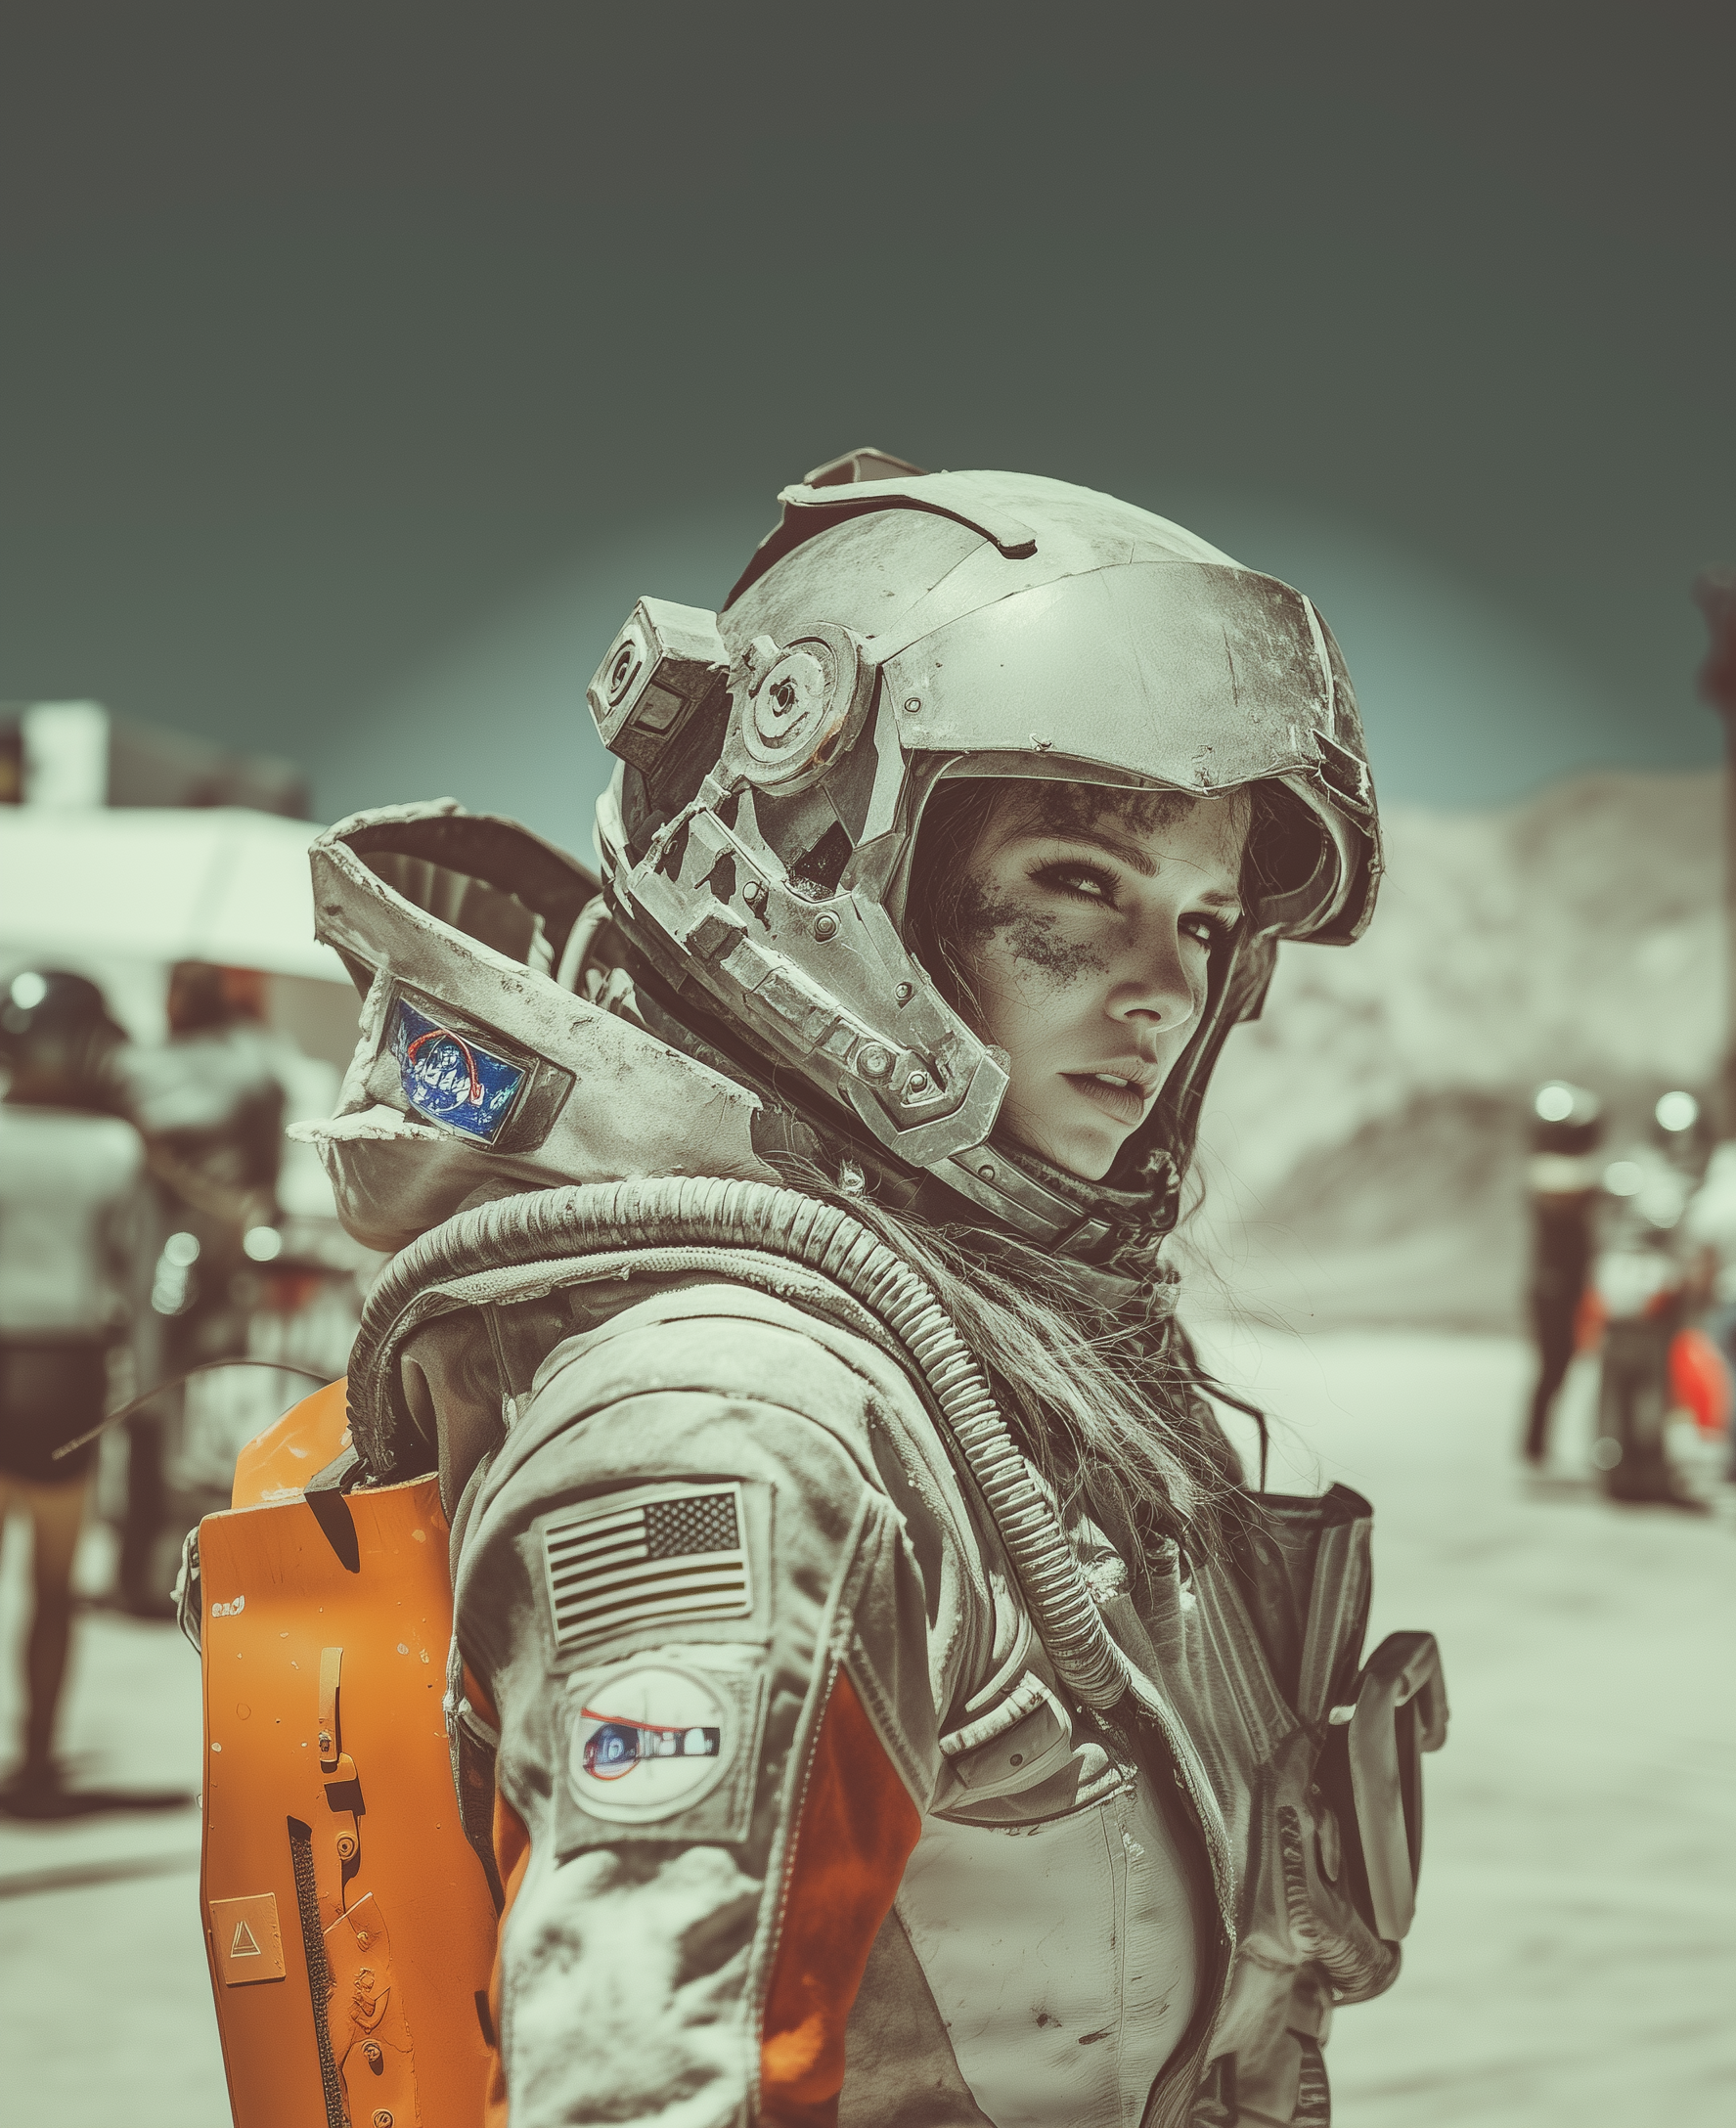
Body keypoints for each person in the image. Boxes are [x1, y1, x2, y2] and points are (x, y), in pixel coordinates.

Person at [303, 457, 1444, 2125]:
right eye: (1078, 886)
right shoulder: (737, 1421)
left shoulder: (976, 1357)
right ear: (829, 879)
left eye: (1204, 926)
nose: (1162, 992)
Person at [0, 968, 148, 1815]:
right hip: (65, 1370)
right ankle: (35, 1760)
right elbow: (130, 1275)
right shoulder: (114, 1147)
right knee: (53, 1587)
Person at [1520, 1081, 1603, 1466]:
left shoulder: (1570, 1172)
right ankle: (1535, 1444)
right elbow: (1570, 1189)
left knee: (1563, 1361)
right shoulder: (1547, 1172)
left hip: (1569, 1282)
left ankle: (1538, 1443)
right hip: (1552, 1283)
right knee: (1554, 1363)